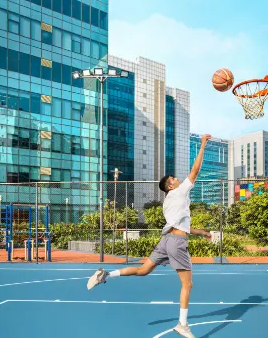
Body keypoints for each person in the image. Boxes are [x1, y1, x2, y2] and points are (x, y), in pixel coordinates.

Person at [86, 134, 213, 338]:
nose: (176, 178)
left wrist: (203, 232)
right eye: (173, 178)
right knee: (187, 284)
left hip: (167, 241)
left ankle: (106, 275)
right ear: (170, 186)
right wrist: (203, 144)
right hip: (176, 243)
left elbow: (181, 226)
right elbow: (195, 171)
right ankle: (182, 324)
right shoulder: (179, 193)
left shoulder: (170, 201)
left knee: (143, 270)